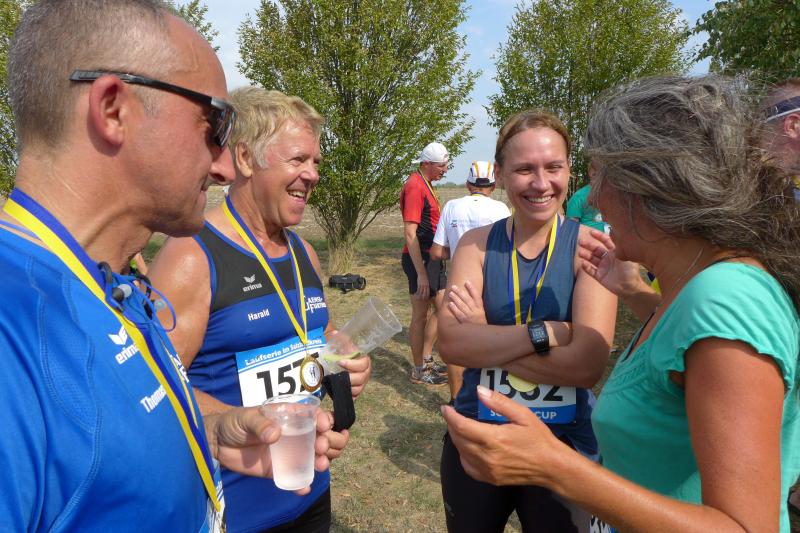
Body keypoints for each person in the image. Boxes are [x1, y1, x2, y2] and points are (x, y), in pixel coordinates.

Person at [0, 1, 332, 531]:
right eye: (214, 124)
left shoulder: (105, 283)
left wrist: (214, 430)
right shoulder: (13, 328)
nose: (224, 166)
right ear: (114, 109)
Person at [443, 75, 800, 532]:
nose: (591, 197)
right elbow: (454, 344)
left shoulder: (727, 299)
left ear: (652, 185)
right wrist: (573, 322)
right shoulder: (690, 291)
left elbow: (585, 366)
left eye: (602, 176)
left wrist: (556, 466)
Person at [147, 87, 371, 533]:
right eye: (298, 159)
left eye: (316, 162)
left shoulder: (304, 251)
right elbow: (153, 390)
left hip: (309, 488)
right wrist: (231, 421)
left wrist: (338, 359)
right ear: (246, 159)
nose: (312, 175)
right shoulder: (191, 255)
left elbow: (310, 340)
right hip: (233, 508)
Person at [437, 110, 618, 532]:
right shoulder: (476, 245)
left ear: (569, 171)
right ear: (500, 175)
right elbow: (452, 344)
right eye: (524, 169)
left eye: (553, 167)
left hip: (563, 445)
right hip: (479, 434)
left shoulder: (590, 249)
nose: (541, 183)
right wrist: (550, 333)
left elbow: (586, 366)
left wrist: (485, 336)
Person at [430, 160, 511, 400]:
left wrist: (459, 251)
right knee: (493, 342)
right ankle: (488, 397)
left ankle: (456, 399)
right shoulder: (501, 209)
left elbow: (436, 251)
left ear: (468, 184)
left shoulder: (452, 206)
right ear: (493, 186)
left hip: (460, 283)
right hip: (493, 285)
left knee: (457, 343)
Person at [401, 142, 450, 385]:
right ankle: (419, 369)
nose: (445, 170)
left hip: (432, 258)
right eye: (442, 166)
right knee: (421, 315)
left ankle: (427, 359)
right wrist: (421, 273)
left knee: (443, 308)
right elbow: (410, 234)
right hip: (419, 259)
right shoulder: (414, 185)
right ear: (427, 164)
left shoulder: (426, 183)